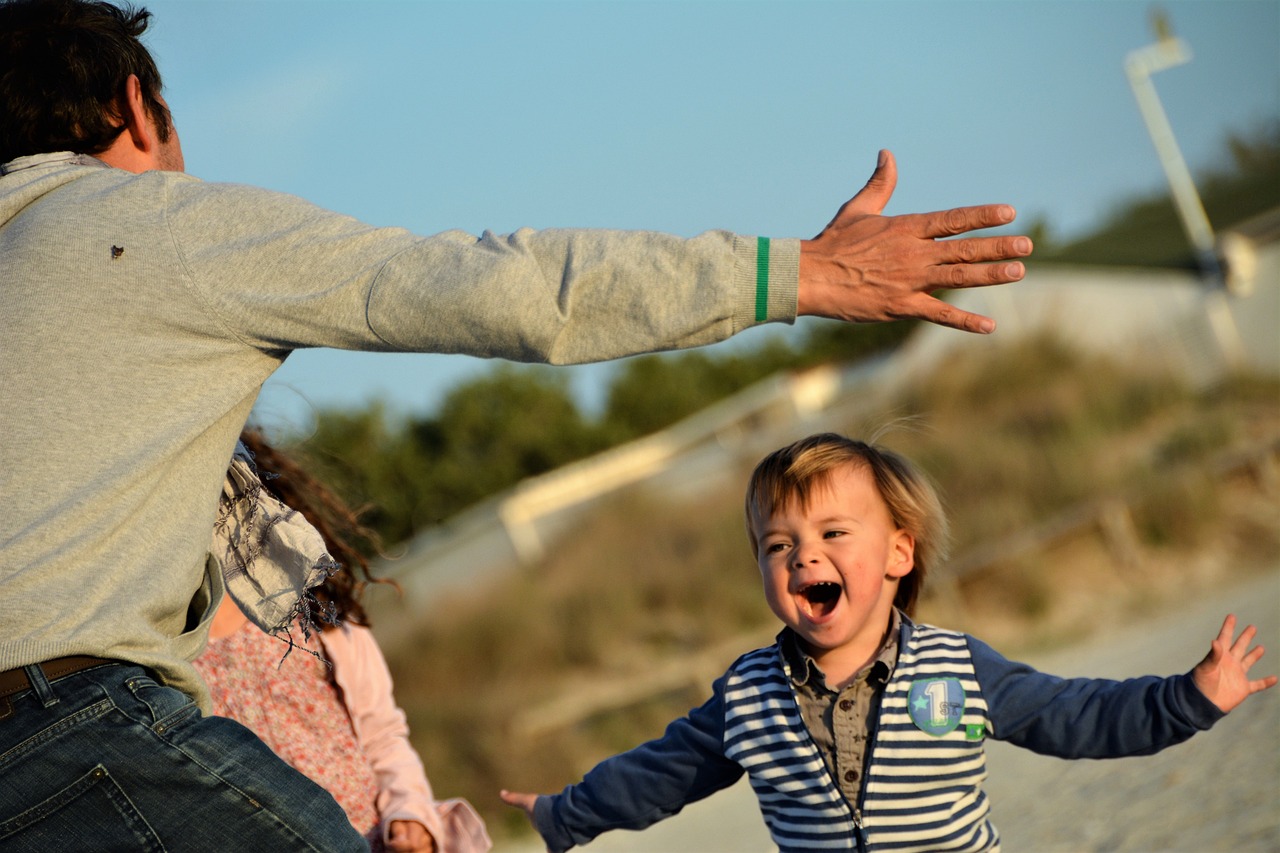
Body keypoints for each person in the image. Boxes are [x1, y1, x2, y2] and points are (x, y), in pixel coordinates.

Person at [0, 0, 1032, 847]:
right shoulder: (148, 224)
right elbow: (500, 286)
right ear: (138, 108)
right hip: (78, 728)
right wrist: (799, 272)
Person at [500, 433, 1276, 852]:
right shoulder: (747, 693)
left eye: (834, 533)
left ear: (898, 555)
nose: (805, 556)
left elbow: (1075, 715)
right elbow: (660, 772)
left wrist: (1188, 698)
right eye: (779, 545)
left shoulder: (959, 669)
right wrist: (566, 813)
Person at [194, 431, 490, 853]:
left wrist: (410, 816)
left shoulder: (315, 602)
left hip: (374, 839)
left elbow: (383, 733)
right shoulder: (157, 649)